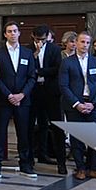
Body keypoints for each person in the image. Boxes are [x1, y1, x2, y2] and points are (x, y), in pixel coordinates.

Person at [59, 32, 96, 180]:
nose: (85, 45)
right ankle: (80, 167)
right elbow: (63, 85)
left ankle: (95, 168)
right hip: (74, 104)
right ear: (76, 43)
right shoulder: (67, 62)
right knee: (77, 138)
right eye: (82, 42)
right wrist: (77, 104)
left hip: (93, 103)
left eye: (88, 43)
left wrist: (93, 103)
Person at [0, 22, 38, 178]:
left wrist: (22, 95)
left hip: (23, 100)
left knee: (24, 133)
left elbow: (32, 76)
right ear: (5, 34)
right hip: (3, 100)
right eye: (9, 31)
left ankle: (25, 164)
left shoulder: (27, 53)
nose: (12, 34)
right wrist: (9, 95)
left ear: (19, 33)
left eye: (15, 31)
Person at [30, 25, 66, 174]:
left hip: (51, 92)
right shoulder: (27, 50)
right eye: (38, 39)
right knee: (34, 126)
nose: (41, 42)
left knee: (57, 126)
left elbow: (57, 69)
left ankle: (61, 161)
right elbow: (27, 69)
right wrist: (35, 55)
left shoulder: (55, 49)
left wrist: (39, 71)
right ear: (33, 37)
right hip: (34, 92)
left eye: (43, 39)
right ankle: (32, 158)